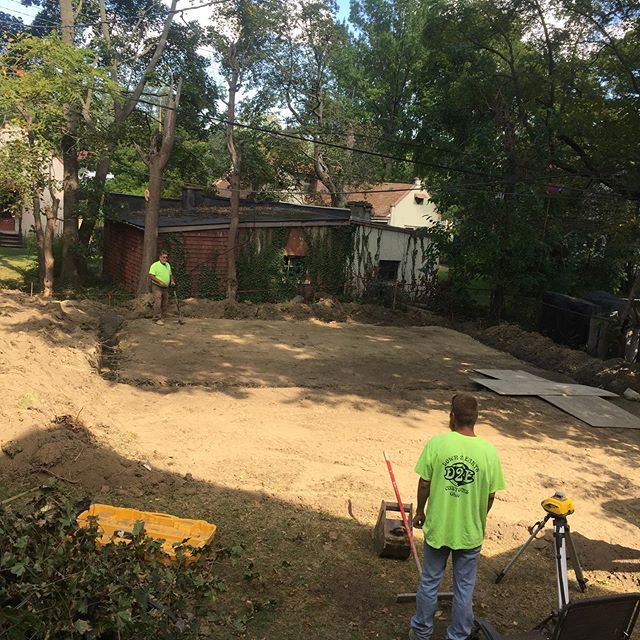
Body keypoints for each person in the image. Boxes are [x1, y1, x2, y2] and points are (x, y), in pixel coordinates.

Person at [409, 393, 506, 640]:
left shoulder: (438, 444)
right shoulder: (488, 452)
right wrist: (478, 517)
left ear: (451, 416)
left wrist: (421, 511)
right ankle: (458, 636)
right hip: (469, 533)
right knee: (464, 588)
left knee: (430, 581)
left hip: (439, 527)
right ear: (476, 418)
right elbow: (491, 495)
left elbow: (424, 483)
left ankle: (421, 632)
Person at [148, 249, 175, 325]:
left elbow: (170, 274)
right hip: (157, 286)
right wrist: (159, 281)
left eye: (166, 257)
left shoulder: (168, 265)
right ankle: (156, 318)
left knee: (165, 302)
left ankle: (162, 316)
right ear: (160, 257)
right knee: (158, 301)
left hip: (165, 287)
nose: (165, 259)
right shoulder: (155, 265)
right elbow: (151, 275)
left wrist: (172, 281)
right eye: (164, 257)